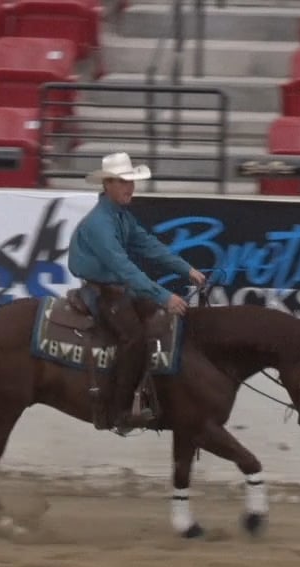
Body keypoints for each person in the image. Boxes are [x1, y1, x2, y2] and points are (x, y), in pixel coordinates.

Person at [68, 152, 207, 434]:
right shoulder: (99, 224)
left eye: (131, 181)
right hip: (103, 293)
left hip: (118, 290)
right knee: (133, 337)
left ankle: (150, 394)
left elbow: (148, 246)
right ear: (107, 184)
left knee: (157, 322)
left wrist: (185, 268)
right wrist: (164, 296)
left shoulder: (121, 217)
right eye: (122, 182)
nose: (129, 187)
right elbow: (123, 267)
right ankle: (118, 411)